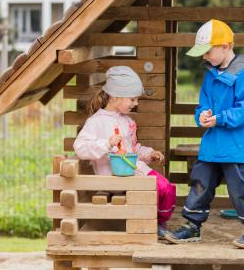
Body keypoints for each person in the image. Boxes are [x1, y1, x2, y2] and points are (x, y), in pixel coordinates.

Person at [164, 19, 244, 249]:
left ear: (225, 46)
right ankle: (192, 225)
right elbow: (203, 105)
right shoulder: (210, 75)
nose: (205, 57)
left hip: (235, 145)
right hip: (212, 143)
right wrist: (202, 116)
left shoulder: (243, 74)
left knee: (240, 187)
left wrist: (221, 118)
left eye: (208, 51)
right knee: (200, 181)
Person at [73, 66, 176, 238]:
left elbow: (133, 147)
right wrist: (106, 143)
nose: (136, 104)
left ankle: (158, 222)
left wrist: (148, 154)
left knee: (167, 188)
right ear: (116, 96)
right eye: (133, 99)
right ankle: (155, 224)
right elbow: (80, 147)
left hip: (135, 170)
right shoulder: (96, 122)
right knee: (158, 187)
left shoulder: (128, 121)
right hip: (114, 178)